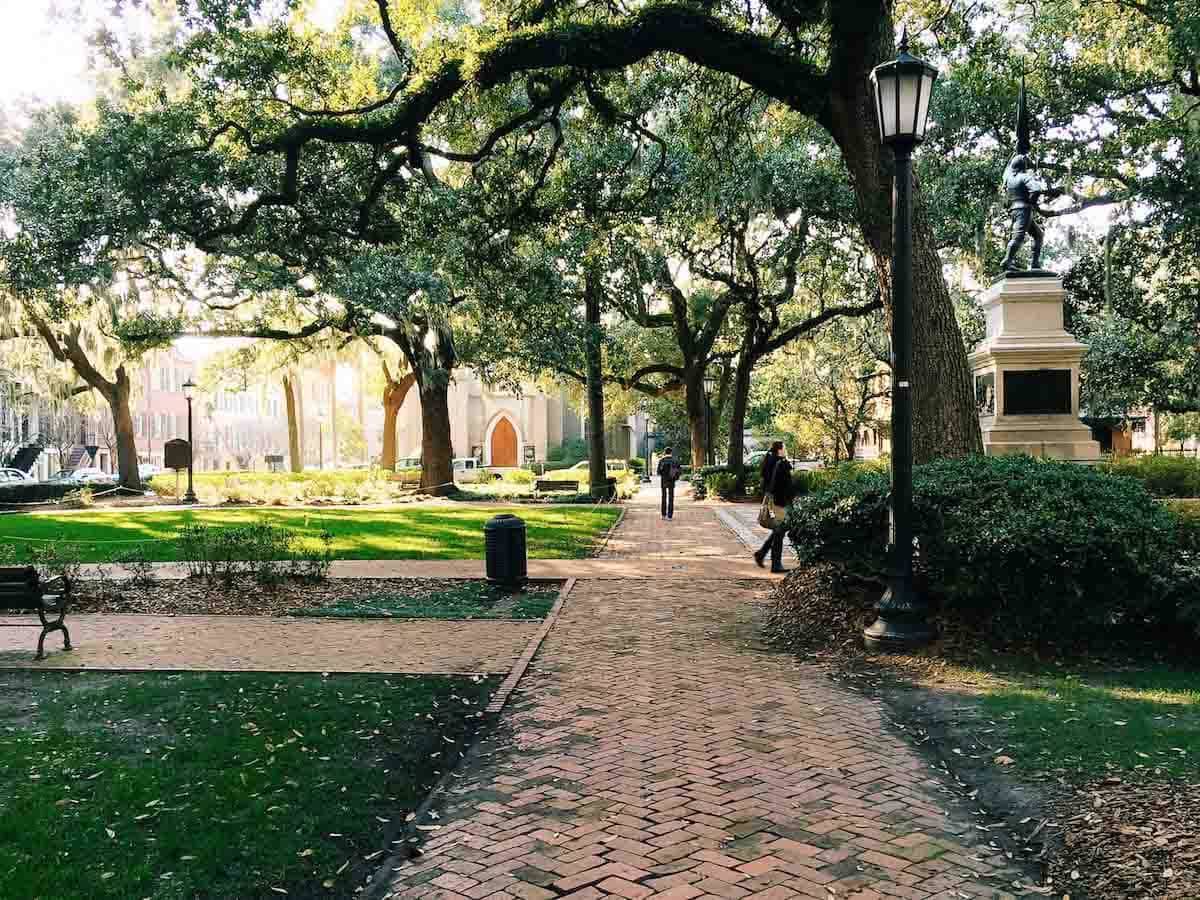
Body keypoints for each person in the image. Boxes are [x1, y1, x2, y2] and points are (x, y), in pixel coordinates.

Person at [754, 442, 795, 574]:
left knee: (779, 530)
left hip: (773, 500)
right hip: (780, 501)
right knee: (780, 531)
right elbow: (786, 485)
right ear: (779, 450)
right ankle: (775, 564)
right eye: (784, 448)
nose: (786, 450)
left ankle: (762, 553)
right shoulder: (781, 464)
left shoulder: (769, 462)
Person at [656, 447, 682, 519]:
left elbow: (658, 472)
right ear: (671, 452)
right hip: (672, 481)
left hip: (664, 481)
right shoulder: (675, 460)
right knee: (671, 498)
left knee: (663, 497)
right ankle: (670, 516)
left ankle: (663, 515)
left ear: (665, 452)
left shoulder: (661, 460)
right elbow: (679, 471)